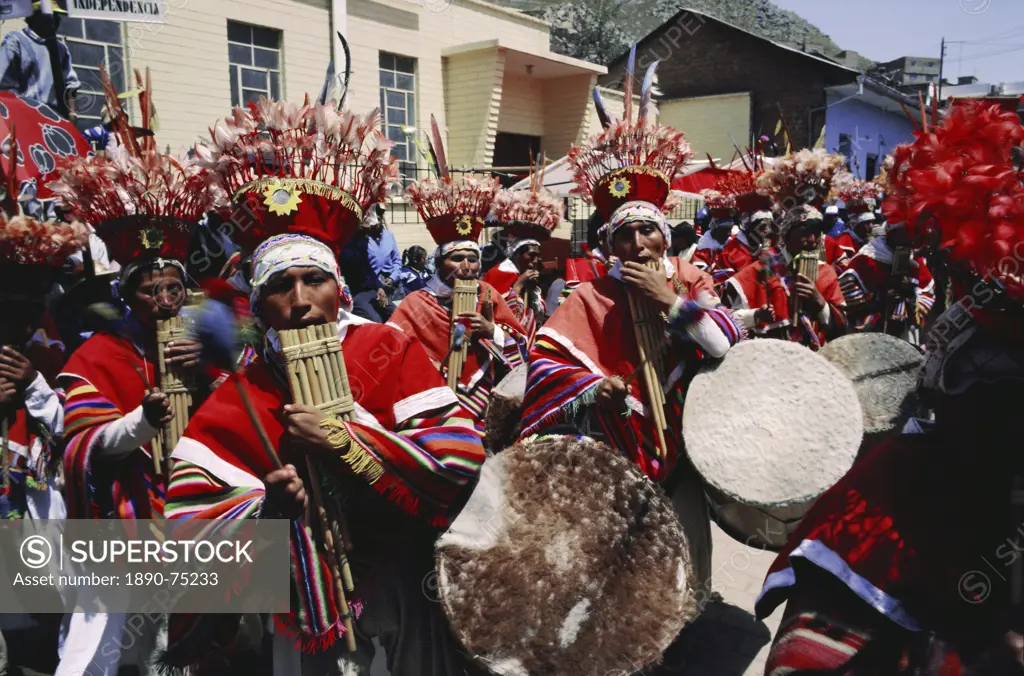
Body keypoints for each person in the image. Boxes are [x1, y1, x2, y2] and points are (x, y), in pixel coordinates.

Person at [165, 96, 485, 676]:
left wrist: (348, 437)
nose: (301, 303)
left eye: (315, 280)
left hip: (400, 577)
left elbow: (459, 459)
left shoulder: (386, 348)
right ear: (259, 304)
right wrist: (266, 511)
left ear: (339, 287)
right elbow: (192, 522)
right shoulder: (245, 382)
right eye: (279, 288)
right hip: (303, 602)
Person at [755, 99, 1024, 675]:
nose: (809, 235)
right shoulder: (757, 269)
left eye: (813, 227)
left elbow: (843, 307)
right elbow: (853, 292)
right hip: (924, 430)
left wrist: (827, 310)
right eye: (798, 229)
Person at [521, 82, 743, 591]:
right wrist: (595, 388)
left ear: (666, 236)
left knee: (684, 549)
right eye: (624, 235)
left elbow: (722, 346)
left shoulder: (690, 278)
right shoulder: (590, 294)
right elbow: (547, 363)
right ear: (609, 242)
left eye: (648, 232)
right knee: (621, 561)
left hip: (683, 441)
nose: (638, 245)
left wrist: (670, 302)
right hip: (614, 442)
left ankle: (686, 630)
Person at [49, 102, 213, 675]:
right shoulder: (97, 353)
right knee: (110, 639)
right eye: (152, 291)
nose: (165, 303)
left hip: (192, 508)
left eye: (174, 289)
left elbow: (234, 422)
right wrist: (143, 421)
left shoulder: (201, 347)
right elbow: (81, 444)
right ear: (127, 296)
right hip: (125, 515)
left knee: (186, 639)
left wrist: (211, 375)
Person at [389, 167, 528, 431]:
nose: (466, 266)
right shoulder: (417, 302)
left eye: (473, 259)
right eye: (457, 258)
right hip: (432, 401)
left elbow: (522, 347)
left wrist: (493, 332)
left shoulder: (488, 293)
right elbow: (392, 351)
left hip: (486, 400)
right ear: (440, 263)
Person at [722, 205, 847, 349]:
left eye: (817, 233)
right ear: (786, 237)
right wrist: (756, 315)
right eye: (805, 233)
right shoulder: (759, 270)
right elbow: (727, 320)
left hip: (816, 362)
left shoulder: (826, 272)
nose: (813, 240)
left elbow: (842, 328)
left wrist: (820, 303)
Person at [482, 185, 562, 343]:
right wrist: (518, 286)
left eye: (538, 257)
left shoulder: (530, 278)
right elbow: (495, 314)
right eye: (531, 255)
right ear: (516, 255)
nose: (535, 261)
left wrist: (532, 290)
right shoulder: (498, 274)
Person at [838, 220, 934, 340]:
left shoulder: (915, 261)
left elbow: (927, 294)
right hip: (870, 334)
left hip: (904, 333)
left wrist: (910, 295)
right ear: (893, 233)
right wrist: (879, 298)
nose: (912, 239)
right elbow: (846, 296)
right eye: (907, 233)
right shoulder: (867, 259)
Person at [0, 0, 79, 121]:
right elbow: (3, 83)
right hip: (22, 113)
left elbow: (71, 86)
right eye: (50, 16)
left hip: (54, 117)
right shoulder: (15, 41)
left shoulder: (61, 49)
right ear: (35, 18)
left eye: (57, 16)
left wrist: (72, 116)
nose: (56, 21)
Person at [337, 205, 399, 322]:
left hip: (373, 290)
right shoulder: (347, 242)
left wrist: (379, 288)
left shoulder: (363, 239)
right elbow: (353, 266)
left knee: (397, 314)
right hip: (356, 293)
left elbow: (368, 269)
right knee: (376, 321)